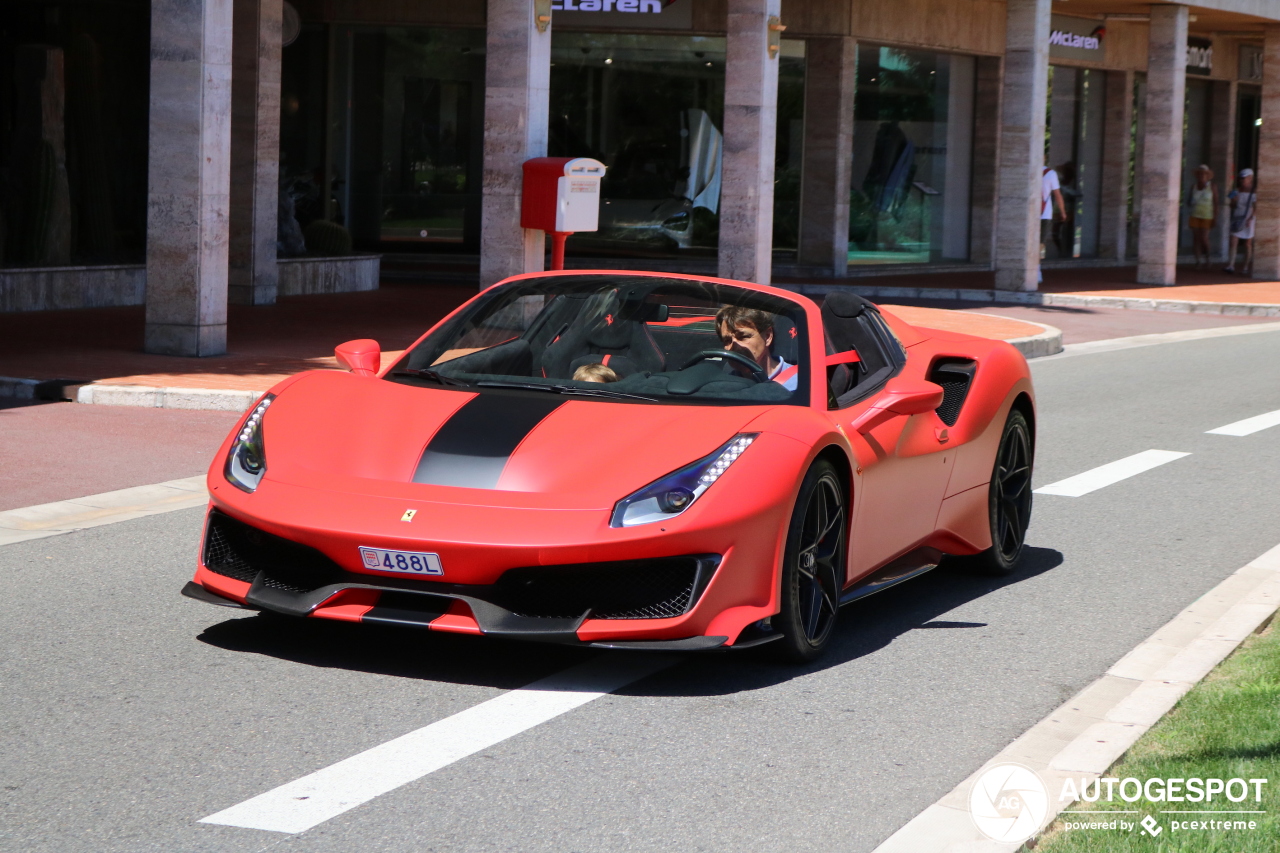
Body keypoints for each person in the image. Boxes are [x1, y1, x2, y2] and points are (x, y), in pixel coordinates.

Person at [715, 305, 798, 391]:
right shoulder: (723, 385)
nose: (734, 346)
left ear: (767, 336)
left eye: (743, 336)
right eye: (727, 340)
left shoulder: (798, 383)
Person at [1225, 168, 1257, 275]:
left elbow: (1256, 207)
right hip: (1238, 216)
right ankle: (1231, 265)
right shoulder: (1236, 190)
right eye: (1241, 179)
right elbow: (1231, 206)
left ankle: (1246, 266)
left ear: (1250, 178)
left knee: (1247, 243)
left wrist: (1251, 218)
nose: (1242, 180)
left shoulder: (1254, 191)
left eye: (1244, 178)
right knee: (1233, 240)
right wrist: (1234, 201)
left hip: (1248, 218)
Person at [1187, 165, 1218, 270]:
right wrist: (1191, 202)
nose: (1201, 176)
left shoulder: (1212, 186)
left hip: (1207, 215)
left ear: (1207, 175)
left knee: (1204, 238)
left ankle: (1208, 257)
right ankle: (1198, 260)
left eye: (1203, 174)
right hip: (1195, 214)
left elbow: (1216, 203)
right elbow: (1189, 201)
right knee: (1196, 238)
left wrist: (1215, 217)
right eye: (1199, 174)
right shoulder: (1194, 186)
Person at [1040, 165, 1066, 282]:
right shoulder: (1050, 174)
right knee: (1040, 242)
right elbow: (1057, 194)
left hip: (1029, 212)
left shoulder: (1027, 169)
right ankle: (1035, 269)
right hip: (1044, 213)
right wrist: (1062, 212)